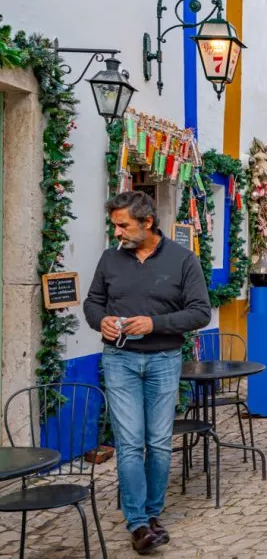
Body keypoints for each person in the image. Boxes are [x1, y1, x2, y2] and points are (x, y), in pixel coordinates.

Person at [84, 191, 211, 554]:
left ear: (147, 223)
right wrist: (101, 321)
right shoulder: (110, 259)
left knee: (157, 442)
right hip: (119, 359)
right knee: (129, 442)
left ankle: (154, 514)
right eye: (115, 225)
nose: (117, 232)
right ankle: (138, 524)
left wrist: (153, 324)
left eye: (123, 225)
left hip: (163, 360)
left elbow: (200, 312)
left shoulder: (183, 260)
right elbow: (93, 302)